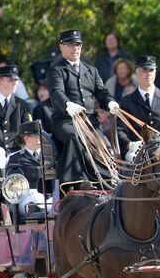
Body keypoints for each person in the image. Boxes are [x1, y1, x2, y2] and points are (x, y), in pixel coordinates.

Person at [46, 29, 120, 186]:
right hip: (66, 120)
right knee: (74, 137)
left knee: (103, 144)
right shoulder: (56, 70)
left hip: (90, 121)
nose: (75, 48)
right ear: (61, 47)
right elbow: (56, 92)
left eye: (78, 44)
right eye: (70, 45)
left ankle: (106, 180)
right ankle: (74, 181)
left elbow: (101, 92)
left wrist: (110, 103)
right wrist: (68, 105)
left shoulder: (91, 70)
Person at [117, 56, 160, 155]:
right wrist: (129, 144)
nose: (148, 74)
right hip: (137, 151)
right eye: (145, 70)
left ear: (155, 72)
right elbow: (120, 130)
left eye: (151, 70)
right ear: (137, 72)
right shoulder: (127, 101)